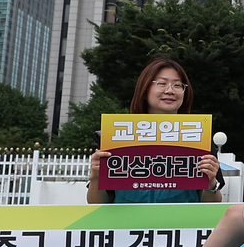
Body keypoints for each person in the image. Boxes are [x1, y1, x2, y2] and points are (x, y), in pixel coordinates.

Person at [86, 57, 223, 204]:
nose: (170, 90)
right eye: (162, 83)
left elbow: (212, 204)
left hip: (181, 225)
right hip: (127, 226)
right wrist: (96, 177)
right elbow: (96, 204)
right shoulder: (119, 136)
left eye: (177, 85)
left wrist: (211, 184)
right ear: (144, 90)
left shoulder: (197, 138)